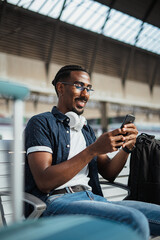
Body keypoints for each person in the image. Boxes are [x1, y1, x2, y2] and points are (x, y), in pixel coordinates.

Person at [25, 65, 160, 240]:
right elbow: (44, 182)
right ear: (60, 87)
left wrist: (127, 147)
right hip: (56, 203)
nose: (85, 94)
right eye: (79, 86)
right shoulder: (41, 123)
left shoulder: (85, 130)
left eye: (88, 88)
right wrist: (93, 149)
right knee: (133, 220)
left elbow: (110, 173)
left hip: (93, 199)